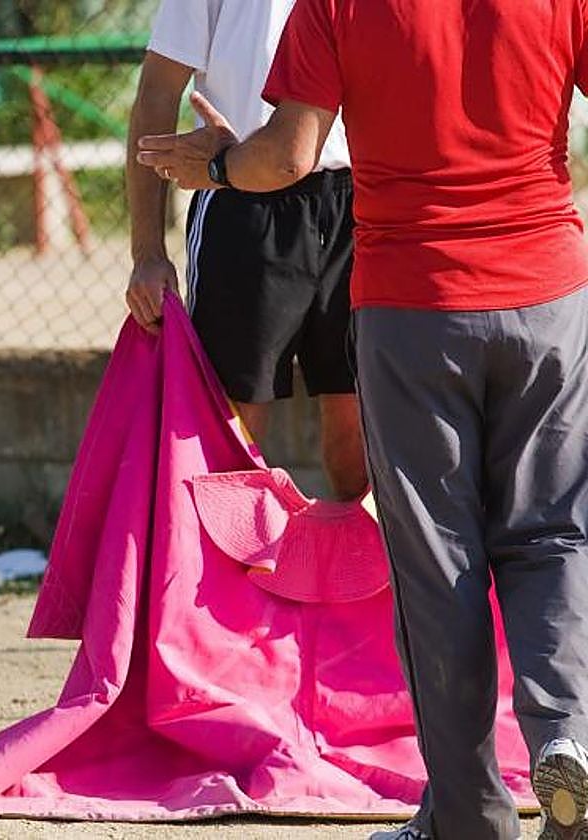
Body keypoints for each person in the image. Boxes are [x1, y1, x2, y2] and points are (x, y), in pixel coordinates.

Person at [136, 1, 588, 839]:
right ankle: (568, 735)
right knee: (554, 533)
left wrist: (220, 168)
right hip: (547, 293)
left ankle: (468, 815)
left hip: (413, 304)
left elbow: (289, 156)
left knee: (438, 557)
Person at [125, 0, 366, 501]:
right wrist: (147, 251)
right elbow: (157, 91)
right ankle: (222, 578)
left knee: (360, 440)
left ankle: (359, 577)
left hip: (361, 199)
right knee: (229, 435)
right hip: (240, 191)